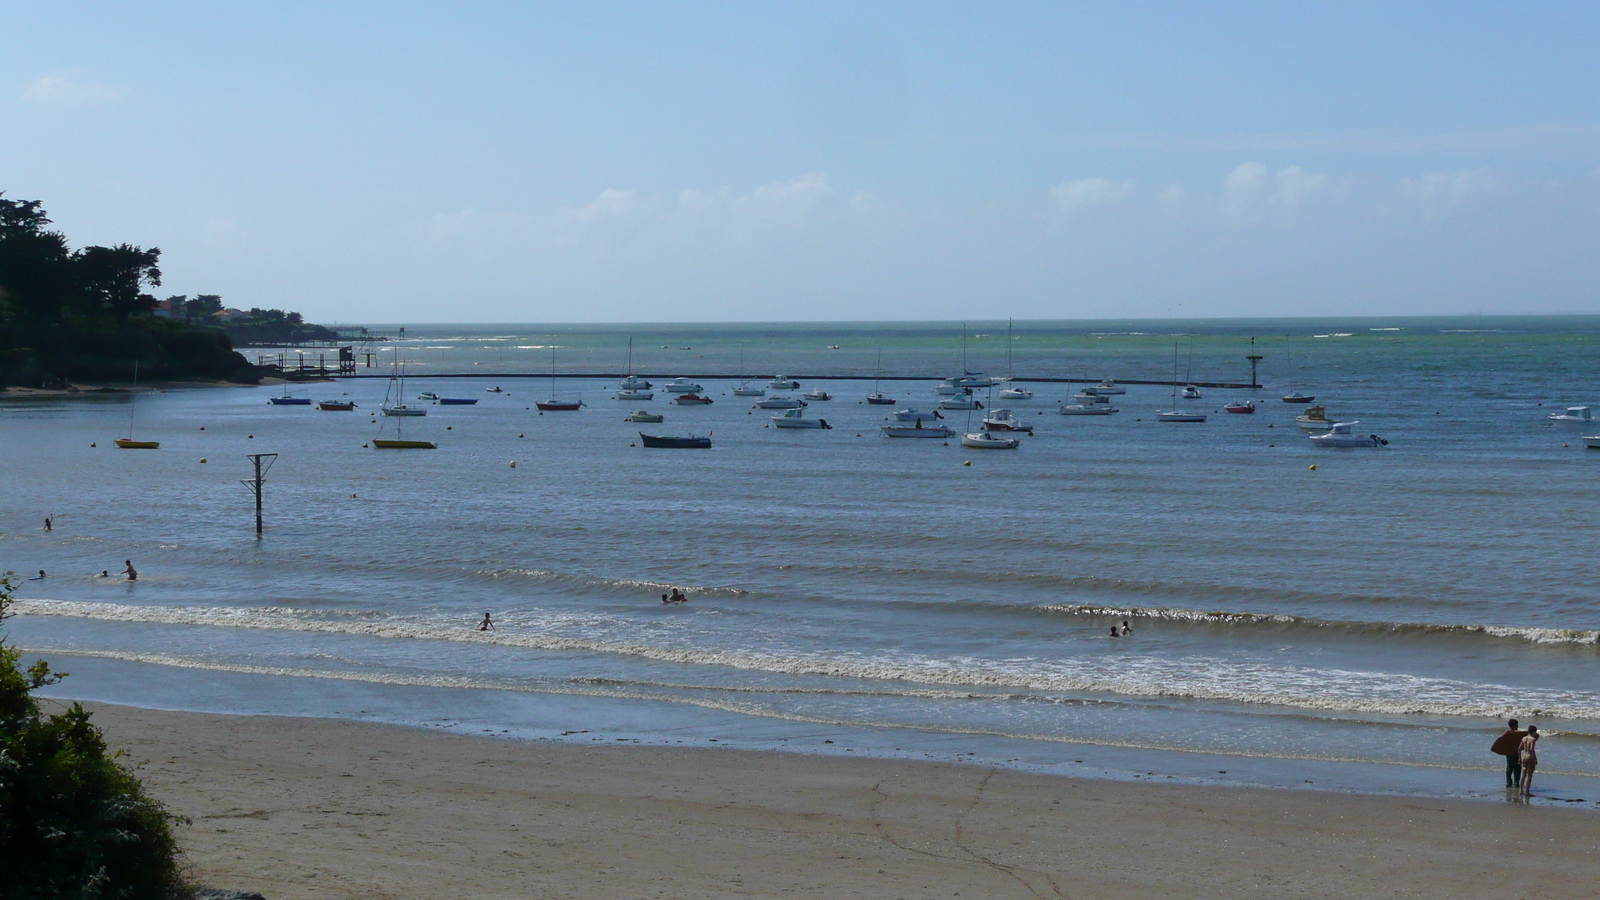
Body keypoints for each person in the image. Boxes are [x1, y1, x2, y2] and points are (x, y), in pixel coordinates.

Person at [1492, 718, 1527, 788]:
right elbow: (1503, 741)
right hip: (1510, 753)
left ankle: (1515, 782)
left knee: (1516, 767)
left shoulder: (1516, 734)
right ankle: (1510, 782)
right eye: (1517, 725)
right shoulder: (1508, 733)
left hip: (1515, 752)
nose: (1517, 726)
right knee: (1511, 767)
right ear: (1514, 725)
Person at [1519, 726, 1540, 797]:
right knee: (1529, 775)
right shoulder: (1533, 739)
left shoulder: (1524, 738)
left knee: (1523, 774)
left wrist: (1519, 758)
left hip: (1524, 756)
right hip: (1530, 757)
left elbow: (1519, 748)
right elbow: (1531, 750)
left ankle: (1521, 790)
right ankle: (1527, 791)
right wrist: (1535, 759)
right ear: (1533, 731)